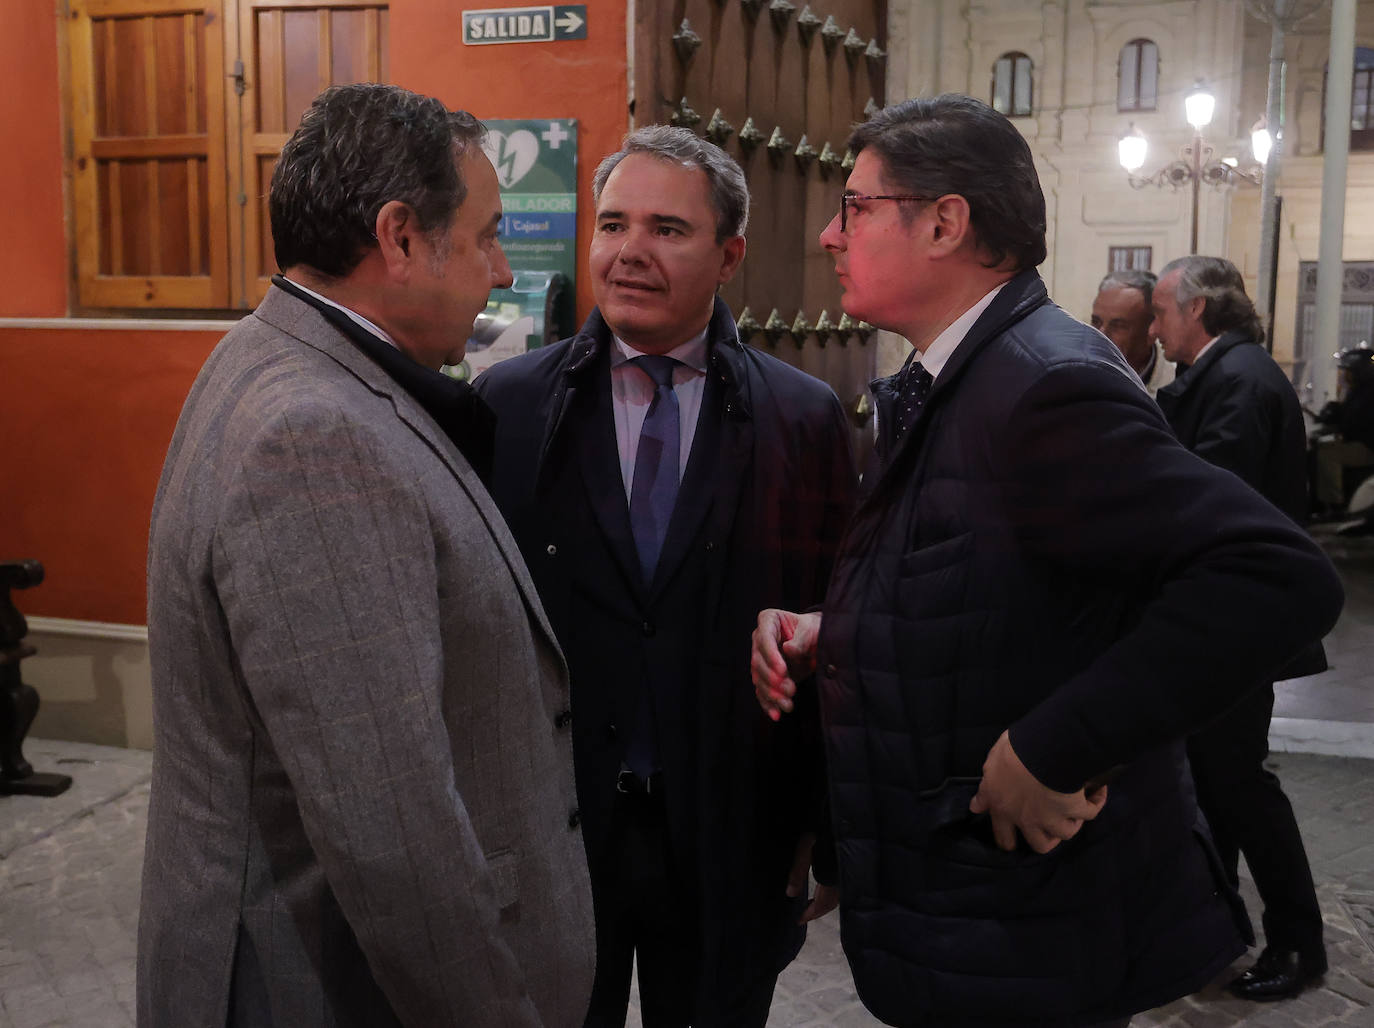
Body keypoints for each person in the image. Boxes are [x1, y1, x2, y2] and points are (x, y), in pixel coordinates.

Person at [751, 93, 1344, 1027]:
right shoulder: (968, 377)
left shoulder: (1044, 383)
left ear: (946, 222)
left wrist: (1056, 745)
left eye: (856, 208)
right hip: (977, 926)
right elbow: (1011, 580)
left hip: (1027, 933)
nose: (829, 233)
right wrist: (847, 630)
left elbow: (1275, 576)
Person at [139, 83, 595, 1027]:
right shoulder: (314, 431)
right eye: (482, 236)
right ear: (398, 237)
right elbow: (389, 826)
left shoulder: (278, 352)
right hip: (335, 986)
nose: (503, 269)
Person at [476, 126, 856, 1027]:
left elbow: (831, 631)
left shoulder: (801, 420)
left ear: (730, 255)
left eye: (667, 230)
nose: (630, 253)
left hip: (731, 839)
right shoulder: (511, 406)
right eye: (613, 225)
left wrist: (820, 834)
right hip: (558, 838)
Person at [1152, 255, 1330, 1001]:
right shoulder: (1230, 373)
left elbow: (1205, 491)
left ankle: (1298, 942)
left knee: (1238, 784)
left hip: (1239, 619)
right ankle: (1217, 925)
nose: (1156, 326)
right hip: (1224, 616)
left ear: (1197, 311)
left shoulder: (1241, 379)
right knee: (1213, 782)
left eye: (1161, 311)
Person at [1090, 269, 1175, 396]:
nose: (1101, 335)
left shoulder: (1177, 387)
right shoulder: (1069, 377)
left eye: (1117, 326)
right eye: (1096, 322)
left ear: (1151, 330)